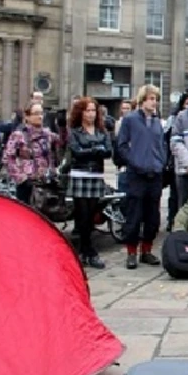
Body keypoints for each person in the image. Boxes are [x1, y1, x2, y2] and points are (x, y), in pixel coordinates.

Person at [116, 84, 165, 269]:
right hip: (136, 174)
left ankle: (147, 250)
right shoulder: (130, 120)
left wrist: (161, 162)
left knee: (153, 216)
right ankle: (131, 252)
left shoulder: (157, 122)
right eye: (152, 99)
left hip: (155, 173)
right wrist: (134, 161)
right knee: (134, 215)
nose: (154, 103)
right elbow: (121, 146)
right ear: (143, 99)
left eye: (156, 99)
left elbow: (161, 145)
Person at [66, 97, 113, 269]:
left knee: (92, 215)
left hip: (95, 176)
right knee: (82, 216)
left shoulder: (102, 131)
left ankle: (86, 250)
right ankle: (87, 250)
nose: (91, 114)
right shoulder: (75, 131)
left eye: (94, 110)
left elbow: (108, 151)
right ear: (81, 112)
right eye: (88, 110)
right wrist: (95, 149)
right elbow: (77, 152)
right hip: (80, 174)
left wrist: (93, 150)